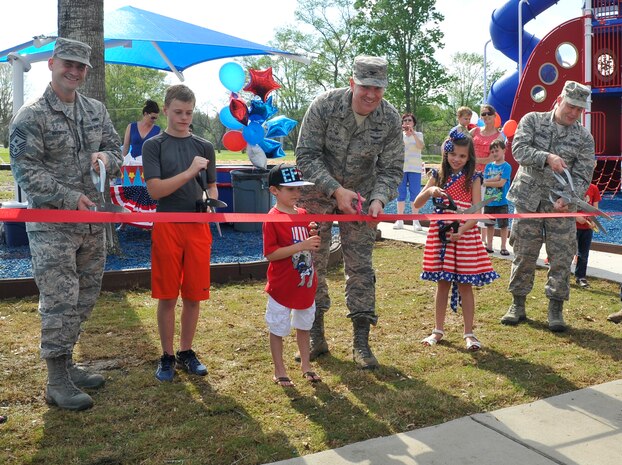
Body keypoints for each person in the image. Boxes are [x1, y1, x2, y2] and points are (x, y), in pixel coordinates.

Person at [9, 38, 122, 410]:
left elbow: (117, 152)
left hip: (92, 225)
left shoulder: (96, 110)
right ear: (53, 64)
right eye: (67, 64)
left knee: (85, 298)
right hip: (52, 226)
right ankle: (56, 380)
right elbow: (26, 171)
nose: (73, 71)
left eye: (80, 66)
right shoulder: (32, 115)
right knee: (59, 301)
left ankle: (68, 364)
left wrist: (106, 156)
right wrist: (69, 197)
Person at [296, 55, 404, 369]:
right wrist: (334, 189)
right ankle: (316, 336)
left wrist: (379, 200)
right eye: (366, 87)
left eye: (378, 88)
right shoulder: (324, 105)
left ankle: (361, 343)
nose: (371, 94)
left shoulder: (390, 118)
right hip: (317, 195)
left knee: (360, 268)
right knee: (311, 265)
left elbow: (391, 168)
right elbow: (306, 154)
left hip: (361, 199)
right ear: (352, 83)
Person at [501, 81, 595, 332]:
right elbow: (519, 150)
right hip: (528, 201)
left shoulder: (584, 137)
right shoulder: (532, 120)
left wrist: (569, 199)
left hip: (560, 207)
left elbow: (584, 174)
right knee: (523, 254)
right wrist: (546, 157)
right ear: (559, 99)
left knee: (562, 257)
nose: (574, 113)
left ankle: (556, 309)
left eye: (579, 109)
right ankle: (517, 305)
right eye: (571, 106)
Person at [143, 84, 217, 382]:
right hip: (168, 226)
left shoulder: (205, 146)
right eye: (178, 112)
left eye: (189, 112)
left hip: (198, 227)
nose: (184, 118)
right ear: (165, 110)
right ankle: (167, 355)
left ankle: (186, 351)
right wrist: (189, 172)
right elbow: (155, 190)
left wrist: (210, 201)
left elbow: (210, 186)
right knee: (167, 295)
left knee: (194, 294)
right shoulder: (154, 145)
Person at [415, 130, 499, 351]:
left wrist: (461, 230)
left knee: (465, 285)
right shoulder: (437, 174)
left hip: (464, 236)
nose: (457, 160)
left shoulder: (474, 177)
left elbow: (477, 213)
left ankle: (469, 333)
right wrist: (431, 190)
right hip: (440, 236)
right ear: (446, 153)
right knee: (442, 284)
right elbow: (416, 202)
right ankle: (437, 330)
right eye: (454, 155)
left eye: (463, 156)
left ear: (469, 157)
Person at [263, 164, 322, 387]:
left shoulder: (304, 215)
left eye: (299, 189)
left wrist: (314, 237)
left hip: (305, 284)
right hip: (282, 285)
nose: (297, 194)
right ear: (274, 191)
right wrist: (302, 245)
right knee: (278, 327)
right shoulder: (273, 218)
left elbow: (311, 247)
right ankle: (279, 370)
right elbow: (271, 254)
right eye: (291, 189)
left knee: (304, 326)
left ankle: (306, 365)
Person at [394, 113, 425, 231]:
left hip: (415, 169)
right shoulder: (399, 135)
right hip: (401, 168)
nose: (407, 122)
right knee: (400, 194)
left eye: (409, 120)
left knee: (415, 194)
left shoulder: (419, 134)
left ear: (414, 123)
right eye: (405, 120)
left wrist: (413, 134)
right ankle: (399, 219)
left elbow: (420, 146)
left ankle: (415, 220)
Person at [482, 139, 512, 255]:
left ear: (504, 150)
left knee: (504, 225)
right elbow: (484, 181)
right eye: (492, 151)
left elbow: (501, 183)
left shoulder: (506, 167)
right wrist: (495, 179)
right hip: (489, 201)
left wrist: (490, 182)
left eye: (497, 150)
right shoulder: (488, 166)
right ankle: (489, 245)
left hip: (501, 201)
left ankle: (503, 246)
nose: (494, 153)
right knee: (489, 224)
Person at [574, 181, 601, 288]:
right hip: (573, 227)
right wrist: (576, 217)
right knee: (568, 252)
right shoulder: (573, 187)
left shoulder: (594, 188)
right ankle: (563, 276)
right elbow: (567, 206)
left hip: (587, 229)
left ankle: (580, 277)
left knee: (583, 254)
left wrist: (594, 220)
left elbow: (595, 208)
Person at [121, 99, 161, 166]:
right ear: (145, 114)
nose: (154, 120)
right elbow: (125, 148)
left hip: (150, 165)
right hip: (133, 164)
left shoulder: (158, 131)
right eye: (153, 118)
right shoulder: (131, 127)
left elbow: (159, 151)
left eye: (156, 118)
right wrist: (122, 162)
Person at [470, 104, 504, 172]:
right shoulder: (474, 131)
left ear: (494, 116)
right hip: (469, 171)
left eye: (489, 113)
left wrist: (471, 160)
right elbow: (461, 142)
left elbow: (491, 159)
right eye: (483, 114)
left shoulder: (499, 137)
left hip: (486, 175)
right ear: (481, 117)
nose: (486, 115)